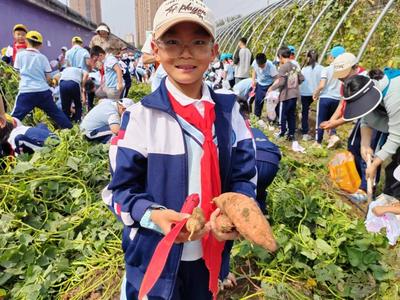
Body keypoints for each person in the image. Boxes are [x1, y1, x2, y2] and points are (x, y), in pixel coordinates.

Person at [103, 1, 257, 299]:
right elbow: (118, 192)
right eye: (172, 42)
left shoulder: (228, 113)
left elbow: (244, 177)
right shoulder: (140, 117)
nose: (185, 53)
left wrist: (236, 213)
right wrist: (154, 216)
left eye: (198, 42)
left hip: (209, 255)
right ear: (156, 50)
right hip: (153, 256)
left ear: (213, 51)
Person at [342, 71, 400, 199]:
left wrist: (374, 164)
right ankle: (388, 197)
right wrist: (365, 144)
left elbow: (396, 137)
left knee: (398, 167)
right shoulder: (367, 85)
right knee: (393, 167)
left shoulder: (395, 94)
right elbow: (366, 118)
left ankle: (393, 202)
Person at [11, 31, 72, 129]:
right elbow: (48, 78)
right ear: (40, 45)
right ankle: (70, 129)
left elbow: (16, 73)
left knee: (15, 118)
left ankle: (6, 135)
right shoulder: (43, 58)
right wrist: (53, 83)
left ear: (26, 41)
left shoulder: (20, 55)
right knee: (56, 113)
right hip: (43, 92)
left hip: (26, 92)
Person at [312, 46, 345, 148]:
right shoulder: (344, 70)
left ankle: (318, 142)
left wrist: (316, 93)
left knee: (320, 120)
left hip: (325, 98)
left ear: (332, 57)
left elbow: (322, 85)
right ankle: (333, 136)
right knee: (332, 120)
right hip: (337, 99)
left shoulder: (326, 69)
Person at [268, 46, 304, 141]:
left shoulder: (283, 67)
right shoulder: (294, 66)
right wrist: (295, 84)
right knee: (291, 115)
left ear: (280, 56)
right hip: (295, 94)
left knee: (282, 114)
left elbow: (281, 82)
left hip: (286, 95)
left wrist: (272, 88)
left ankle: (282, 132)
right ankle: (291, 134)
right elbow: (302, 78)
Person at [300, 50, 323, 141]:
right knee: (319, 113)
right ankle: (318, 133)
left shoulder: (304, 69)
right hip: (316, 94)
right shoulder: (322, 68)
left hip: (304, 93)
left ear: (308, 57)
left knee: (305, 112)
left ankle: (305, 133)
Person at [251, 53, 278, 119]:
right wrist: (253, 80)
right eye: (259, 65)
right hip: (260, 84)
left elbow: (276, 78)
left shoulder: (271, 66)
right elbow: (254, 71)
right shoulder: (255, 63)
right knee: (258, 101)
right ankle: (256, 117)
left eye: (262, 65)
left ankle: (272, 119)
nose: (260, 67)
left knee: (270, 104)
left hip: (269, 85)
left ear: (265, 62)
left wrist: (271, 88)